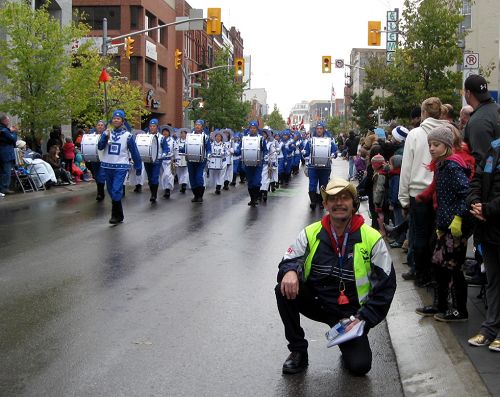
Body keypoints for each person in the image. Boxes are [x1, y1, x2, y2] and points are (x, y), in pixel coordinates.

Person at [275, 178, 396, 376]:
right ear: (325, 204)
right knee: (282, 288)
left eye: (344, 198)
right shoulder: (310, 232)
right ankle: (298, 351)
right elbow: (289, 259)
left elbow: (387, 285)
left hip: (350, 314)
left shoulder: (371, 238)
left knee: (359, 367)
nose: (339, 203)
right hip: (317, 302)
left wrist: (363, 319)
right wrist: (289, 271)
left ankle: (347, 343)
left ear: (354, 204)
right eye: (333, 198)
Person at [414, 125, 471, 321]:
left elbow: (467, 194)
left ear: (446, 145)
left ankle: (459, 310)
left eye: (436, 144)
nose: (431, 148)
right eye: (430, 144)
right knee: (439, 264)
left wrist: (458, 217)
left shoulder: (453, 166)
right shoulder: (441, 165)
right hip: (444, 224)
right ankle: (441, 305)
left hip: (455, 227)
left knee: (453, 268)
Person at [399, 97, 449, 286]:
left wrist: (403, 198)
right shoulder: (449, 132)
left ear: (423, 114)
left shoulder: (415, 134)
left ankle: (421, 274)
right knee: (436, 235)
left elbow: (407, 168)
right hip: (440, 191)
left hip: (418, 192)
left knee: (419, 235)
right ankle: (435, 273)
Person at [467, 131, 500, 351]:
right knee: (493, 280)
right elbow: (477, 178)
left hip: (491, 217)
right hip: (489, 227)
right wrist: (475, 202)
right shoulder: (494, 147)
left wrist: (487, 209)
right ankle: (491, 327)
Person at [98, 109, 142, 224]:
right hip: (107, 165)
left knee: (117, 189)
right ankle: (120, 214)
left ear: (122, 121)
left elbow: (135, 152)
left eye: (118, 118)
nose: (116, 120)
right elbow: (100, 147)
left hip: (121, 166)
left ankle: (114, 215)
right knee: (110, 190)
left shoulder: (128, 136)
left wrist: (138, 166)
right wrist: (104, 136)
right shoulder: (107, 133)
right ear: (112, 120)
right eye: (114, 118)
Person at [463, 74, 500, 165]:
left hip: (489, 177)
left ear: (468, 93)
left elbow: (482, 159)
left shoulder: (478, 120)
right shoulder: (497, 109)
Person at [303, 122, 338, 210]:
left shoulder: (329, 141)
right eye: (317, 129)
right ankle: (313, 201)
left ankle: (322, 202)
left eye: (321, 129)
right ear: (315, 130)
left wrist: (334, 154)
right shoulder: (311, 141)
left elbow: (334, 151)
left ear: (323, 130)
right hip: (313, 166)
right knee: (312, 184)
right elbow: (306, 152)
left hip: (325, 166)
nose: (319, 130)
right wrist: (304, 153)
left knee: (323, 184)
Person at [242, 121, 268, 206]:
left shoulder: (261, 139)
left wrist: (265, 157)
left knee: (256, 182)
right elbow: (240, 149)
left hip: (258, 164)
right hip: (247, 163)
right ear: (249, 129)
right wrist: (234, 151)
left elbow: (265, 150)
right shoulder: (245, 138)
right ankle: (252, 199)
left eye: (254, 128)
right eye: (251, 128)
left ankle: (255, 198)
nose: (252, 129)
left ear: (257, 129)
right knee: (250, 182)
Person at [187, 119, 211, 203]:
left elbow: (208, 148)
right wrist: (181, 149)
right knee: (192, 178)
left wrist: (208, 154)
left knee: (198, 177)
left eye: (199, 125)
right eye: (196, 124)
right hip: (190, 159)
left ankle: (200, 195)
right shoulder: (189, 136)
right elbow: (186, 147)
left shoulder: (206, 137)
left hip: (201, 160)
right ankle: (195, 195)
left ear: (202, 127)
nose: (197, 126)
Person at [143, 119, 162, 203]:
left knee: (154, 177)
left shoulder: (161, 137)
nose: (152, 128)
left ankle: (153, 195)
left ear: (157, 127)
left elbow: (166, 148)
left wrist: (164, 154)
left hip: (157, 160)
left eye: (154, 126)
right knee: (150, 178)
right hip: (147, 160)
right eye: (150, 126)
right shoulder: (145, 136)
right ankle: (152, 193)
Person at [87, 120, 107, 201]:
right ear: (96, 127)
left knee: (101, 175)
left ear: (104, 127)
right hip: (94, 159)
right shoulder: (92, 136)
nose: (100, 126)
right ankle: (100, 191)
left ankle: (100, 193)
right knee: (96, 176)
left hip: (104, 158)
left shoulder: (107, 135)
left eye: (102, 125)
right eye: (98, 125)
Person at [0, 115, 18, 195]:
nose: (9, 122)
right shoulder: (4, 130)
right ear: (4, 121)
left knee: (3, 171)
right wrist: (13, 132)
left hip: (3, 152)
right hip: (5, 153)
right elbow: (13, 139)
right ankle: (4, 188)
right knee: (6, 171)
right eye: (7, 121)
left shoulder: (3, 130)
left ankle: (3, 188)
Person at [208, 130, 227, 195]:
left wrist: (223, 153)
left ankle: (218, 187)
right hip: (213, 162)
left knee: (221, 175)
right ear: (215, 137)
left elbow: (227, 152)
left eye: (219, 136)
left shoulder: (224, 145)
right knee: (213, 175)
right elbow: (209, 151)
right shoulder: (211, 144)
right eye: (217, 136)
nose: (218, 138)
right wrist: (209, 155)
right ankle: (215, 185)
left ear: (221, 138)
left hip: (222, 162)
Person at [175, 129, 189, 193]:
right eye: (182, 133)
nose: (183, 135)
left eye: (184, 133)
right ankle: (181, 184)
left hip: (186, 157)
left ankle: (184, 184)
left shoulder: (188, 141)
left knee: (186, 172)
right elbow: (175, 148)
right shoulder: (177, 141)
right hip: (179, 157)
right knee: (179, 172)